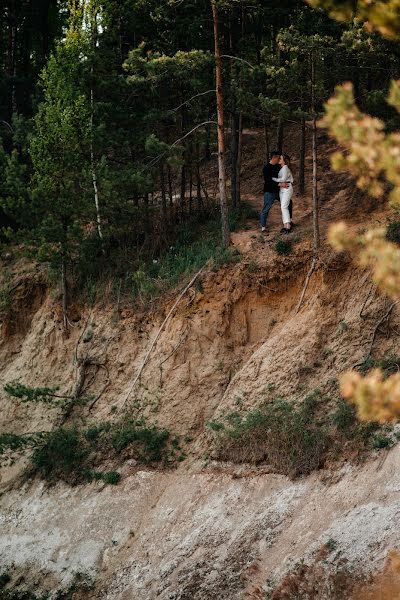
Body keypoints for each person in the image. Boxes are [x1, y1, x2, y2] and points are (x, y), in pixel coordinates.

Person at [260, 150, 289, 232]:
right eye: (278, 158)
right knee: (266, 208)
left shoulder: (277, 167)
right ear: (274, 157)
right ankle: (263, 227)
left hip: (279, 191)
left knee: (288, 203)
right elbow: (268, 181)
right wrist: (280, 184)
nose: (279, 159)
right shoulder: (266, 168)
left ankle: (288, 222)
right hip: (269, 192)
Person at [273, 154, 294, 234]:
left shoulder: (285, 168)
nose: (279, 159)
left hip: (287, 187)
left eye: (280, 158)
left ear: (284, 160)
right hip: (282, 188)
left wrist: (272, 179)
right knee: (283, 207)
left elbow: (283, 179)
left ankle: (288, 227)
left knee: (283, 206)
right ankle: (285, 225)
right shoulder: (282, 168)